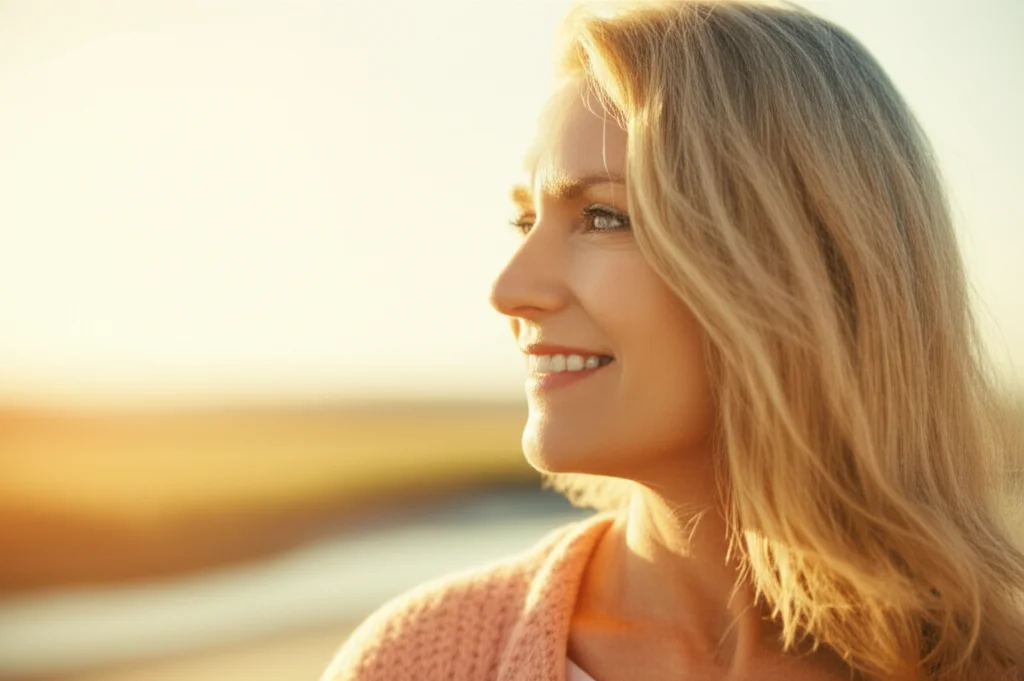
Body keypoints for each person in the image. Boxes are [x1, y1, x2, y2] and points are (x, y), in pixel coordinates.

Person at [321, 1, 1024, 679]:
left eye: (601, 217)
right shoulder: (417, 660)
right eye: (525, 220)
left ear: (799, 263)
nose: (509, 288)